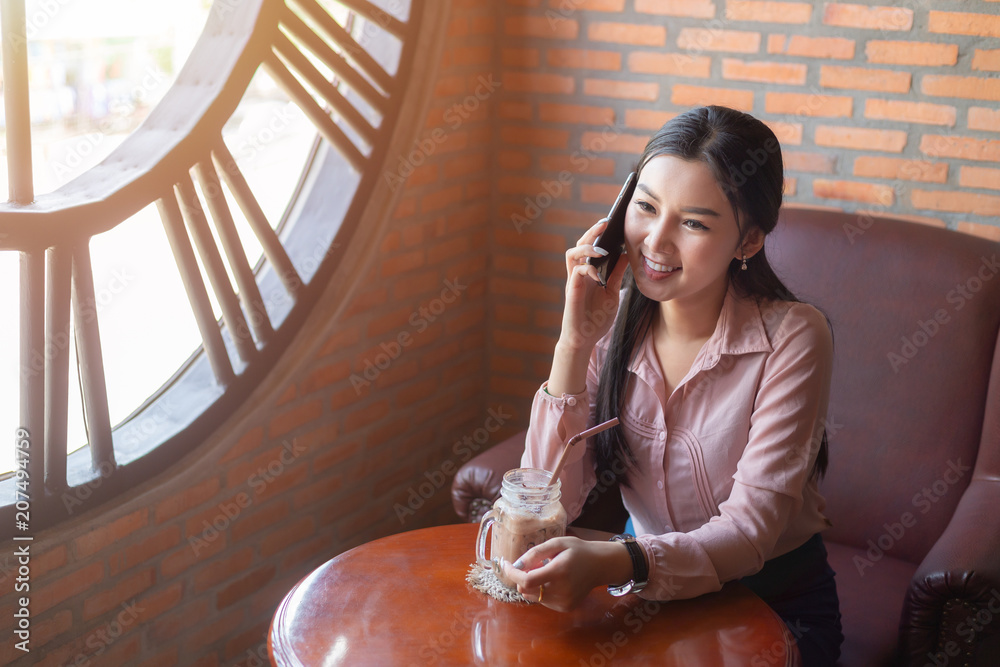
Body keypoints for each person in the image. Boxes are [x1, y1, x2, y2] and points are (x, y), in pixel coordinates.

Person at [502, 105, 844, 665]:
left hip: (772, 598)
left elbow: (750, 532)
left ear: (748, 241)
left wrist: (620, 562)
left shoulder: (795, 336)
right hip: (649, 595)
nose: (654, 242)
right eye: (646, 207)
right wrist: (573, 344)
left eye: (694, 222)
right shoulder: (610, 325)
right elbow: (550, 500)